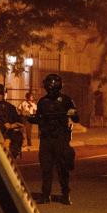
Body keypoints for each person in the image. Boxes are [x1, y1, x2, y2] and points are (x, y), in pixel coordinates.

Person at [29, 73, 78, 205]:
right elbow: (38, 118)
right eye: (49, 88)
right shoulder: (42, 101)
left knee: (62, 168)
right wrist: (31, 118)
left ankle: (65, 194)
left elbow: (76, 118)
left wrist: (73, 113)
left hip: (60, 138)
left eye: (54, 88)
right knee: (46, 168)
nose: (51, 90)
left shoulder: (66, 100)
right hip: (46, 139)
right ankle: (46, 195)